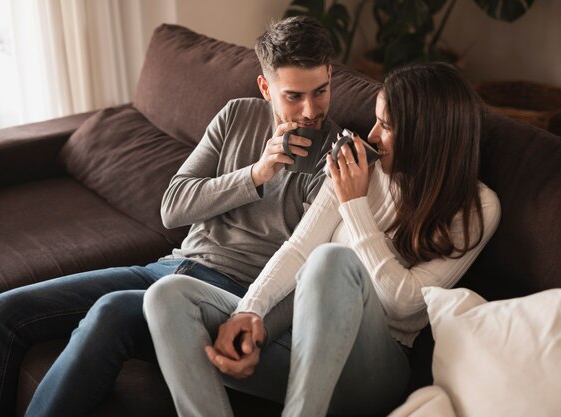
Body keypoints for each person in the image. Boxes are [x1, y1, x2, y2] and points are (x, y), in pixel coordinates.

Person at [0, 16, 341, 417]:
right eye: (294, 96)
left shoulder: (336, 158)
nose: (310, 111)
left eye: (321, 91)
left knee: (112, 312)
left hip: (223, 298)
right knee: (8, 312)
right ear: (266, 88)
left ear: (331, 76)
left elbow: (311, 269)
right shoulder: (236, 117)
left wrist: (259, 325)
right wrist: (254, 175)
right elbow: (172, 206)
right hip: (168, 269)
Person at [143, 62, 502, 417]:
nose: (373, 136)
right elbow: (298, 249)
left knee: (332, 259)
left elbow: (403, 305)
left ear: (429, 136)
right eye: (377, 120)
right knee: (168, 295)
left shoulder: (477, 206)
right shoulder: (356, 164)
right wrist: (249, 311)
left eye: (387, 126)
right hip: (301, 347)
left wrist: (355, 205)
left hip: (374, 369)